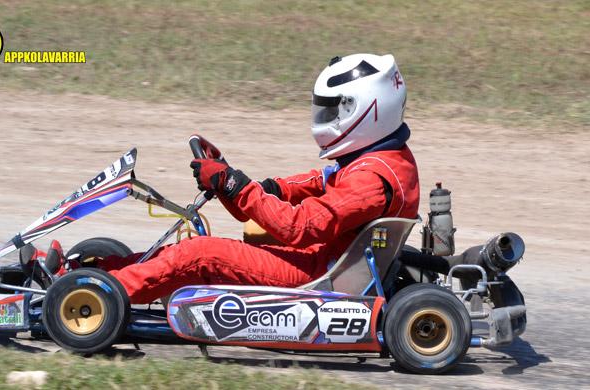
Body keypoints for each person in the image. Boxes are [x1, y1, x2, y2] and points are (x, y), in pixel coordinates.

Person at [29, 53, 420, 304]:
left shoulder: (374, 177)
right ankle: (95, 272)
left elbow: (300, 226)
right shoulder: (378, 159)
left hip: (319, 275)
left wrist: (238, 187)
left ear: (366, 110)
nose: (323, 118)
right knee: (194, 248)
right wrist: (259, 186)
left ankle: (91, 296)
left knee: (200, 254)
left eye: (333, 109)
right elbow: (317, 183)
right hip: (325, 259)